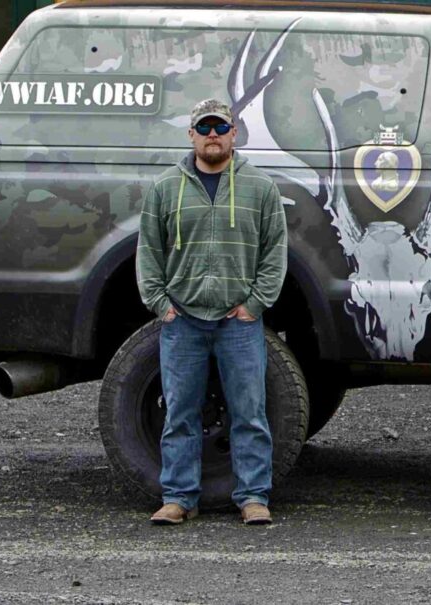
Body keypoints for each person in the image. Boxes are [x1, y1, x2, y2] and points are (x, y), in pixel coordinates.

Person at [137, 98, 288, 526]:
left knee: (249, 413)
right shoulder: (166, 188)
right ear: (191, 135)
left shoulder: (260, 188)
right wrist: (162, 306)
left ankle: (253, 497)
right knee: (179, 413)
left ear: (234, 134)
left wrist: (255, 304)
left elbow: (275, 253)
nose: (212, 135)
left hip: (237, 322)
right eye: (204, 128)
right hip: (182, 321)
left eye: (220, 127)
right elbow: (148, 251)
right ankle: (179, 498)